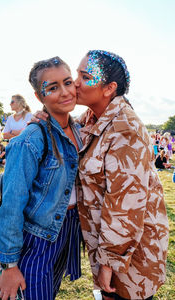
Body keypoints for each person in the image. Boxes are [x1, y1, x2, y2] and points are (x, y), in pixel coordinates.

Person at [74, 50, 169, 300]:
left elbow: (125, 206)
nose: (75, 82)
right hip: (111, 246)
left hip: (131, 255)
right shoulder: (93, 118)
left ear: (109, 88)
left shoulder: (125, 129)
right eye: (77, 74)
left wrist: (109, 263)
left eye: (85, 76)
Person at [0, 57, 83, 300]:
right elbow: (11, 203)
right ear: (39, 95)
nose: (64, 92)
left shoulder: (79, 129)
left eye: (67, 82)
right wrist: (9, 265)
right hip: (37, 238)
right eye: (52, 87)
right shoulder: (30, 139)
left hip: (66, 229)